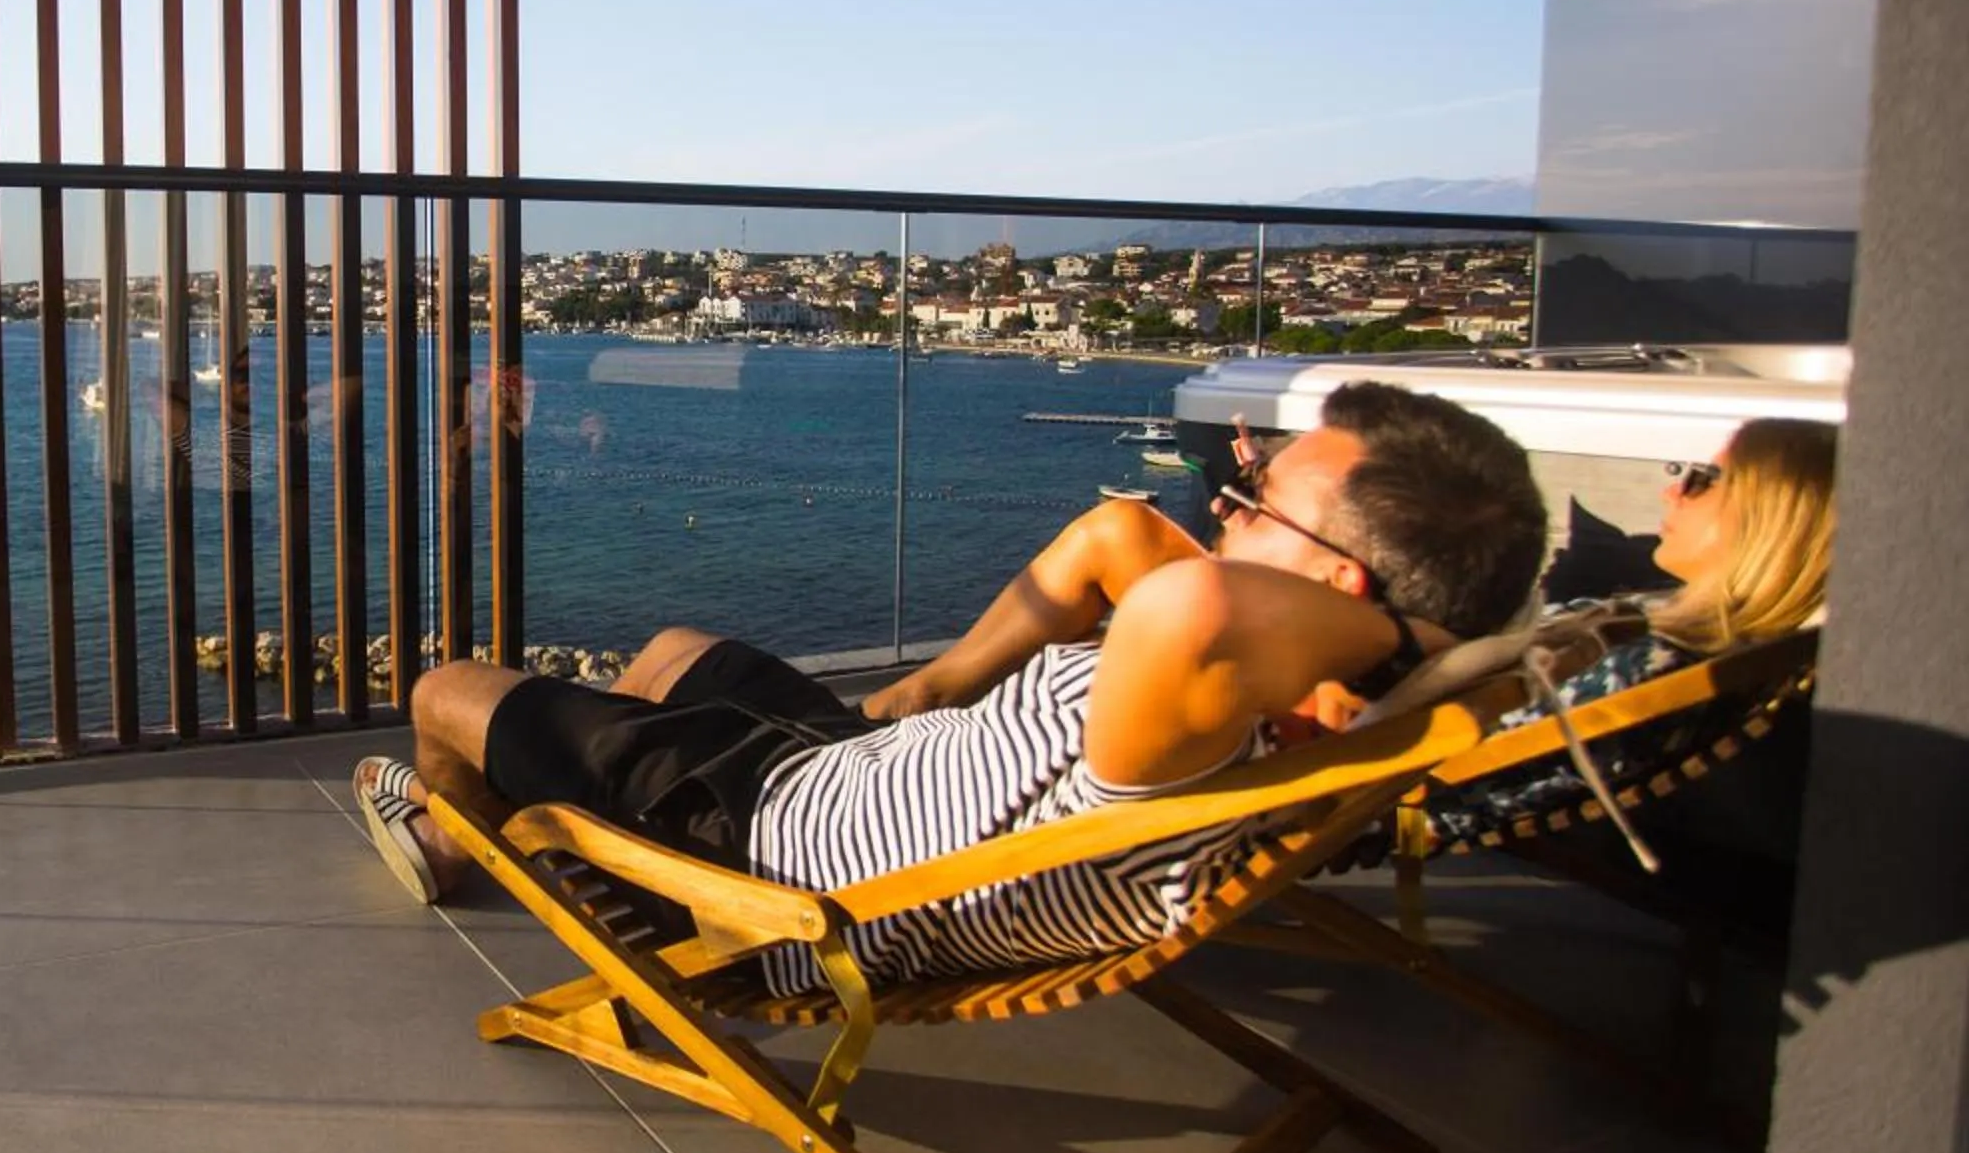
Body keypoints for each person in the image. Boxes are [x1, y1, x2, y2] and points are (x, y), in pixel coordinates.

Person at [352, 381, 1549, 993]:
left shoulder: (1190, 720)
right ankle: (592, 774)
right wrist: (1388, 631)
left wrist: (1368, 623)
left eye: (1255, 502)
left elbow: (1191, 599)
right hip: (865, 771)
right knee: (670, 648)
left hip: (780, 861)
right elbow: (1126, 535)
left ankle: (463, 840)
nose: (1224, 509)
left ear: (1340, 591)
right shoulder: (1274, 715)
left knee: (445, 685)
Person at [1421, 415, 1838, 847]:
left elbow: (1457, 768)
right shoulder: (1690, 636)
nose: (1671, 490)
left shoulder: (1656, 664)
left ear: (1768, 521)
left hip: (1385, 801)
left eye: (1706, 481)